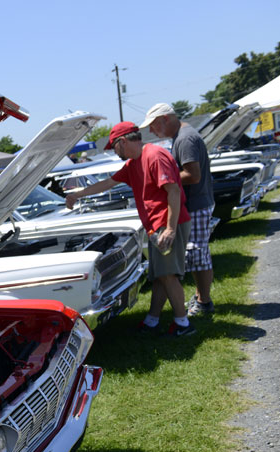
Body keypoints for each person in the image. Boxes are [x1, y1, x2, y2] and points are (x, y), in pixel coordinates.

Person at [65, 122, 195, 337]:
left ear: (123, 141)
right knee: (161, 275)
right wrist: (77, 195)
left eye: (114, 147)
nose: (114, 152)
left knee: (169, 276)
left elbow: (173, 192)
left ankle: (183, 324)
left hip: (169, 223)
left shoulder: (154, 155)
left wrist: (170, 229)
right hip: (157, 226)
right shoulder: (134, 163)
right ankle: (152, 321)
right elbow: (107, 183)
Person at [142, 103, 216, 317]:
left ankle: (204, 302)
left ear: (165, 118)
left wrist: (162, 180)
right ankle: (202, 298)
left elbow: (193, 175)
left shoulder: (184, 139)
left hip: (196, 204)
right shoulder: (183, 135)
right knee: (197, 254)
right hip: (196, 203)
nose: (151, 131)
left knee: (198, 255)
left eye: (154, 125)